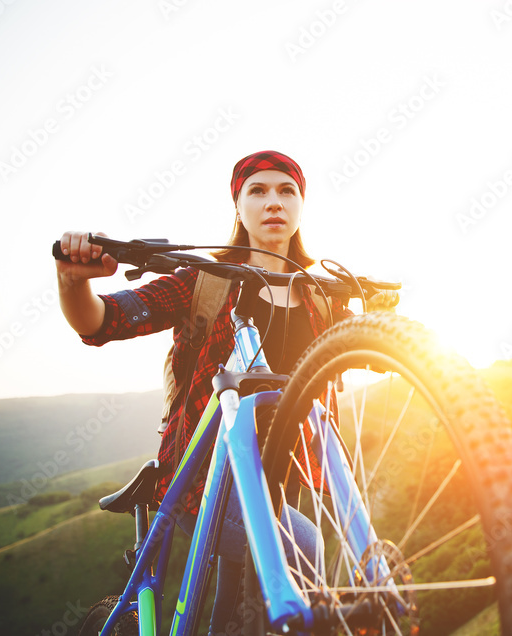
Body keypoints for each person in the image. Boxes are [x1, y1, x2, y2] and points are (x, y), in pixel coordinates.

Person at [56, 150, 351, 634]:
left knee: (240, 616)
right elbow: (103, 319)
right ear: (238, 207)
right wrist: (72, 283)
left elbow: (369, 346)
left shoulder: (322, 297)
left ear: (301, 206)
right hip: (206, 484)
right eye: (257, 191)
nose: (272, 201)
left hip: (283, 483)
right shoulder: (207, 283)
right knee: (304, 547)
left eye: (286, 191)